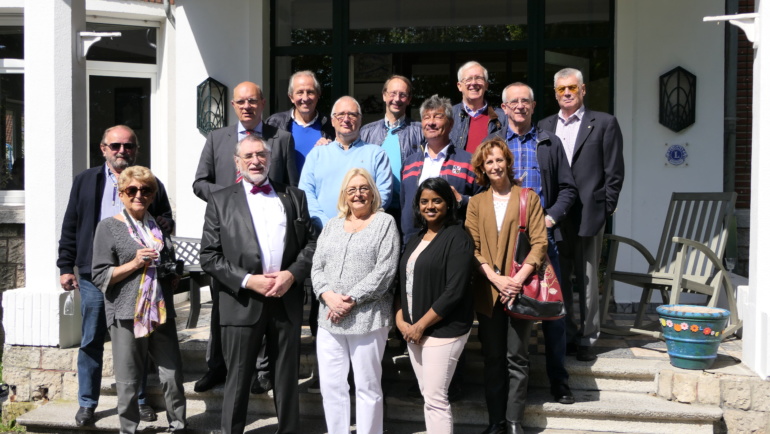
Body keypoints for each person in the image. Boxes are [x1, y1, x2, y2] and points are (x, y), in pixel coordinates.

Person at [200, 134, 317, 434]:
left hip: (285, 298)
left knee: (286, 377)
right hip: (241, 302)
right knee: (238, 378)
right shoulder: (220, 200)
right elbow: (209, 256)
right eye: (248, 156)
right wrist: (249, 281)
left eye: (261, 155)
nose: (256, 160)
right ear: (237, 162)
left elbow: (311, 245)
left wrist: (291, 275)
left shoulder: (294, 196)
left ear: (269, 158)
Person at [58, 125, 172, 427]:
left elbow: (166, 220)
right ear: (103, 148)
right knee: (92, 339)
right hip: (98, 274)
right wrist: (65, 266)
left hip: (139, 278)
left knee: (140, 339)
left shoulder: (149, 182)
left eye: (129, 146)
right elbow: (71, 224)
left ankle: (140, 401)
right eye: (115, 146)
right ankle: (87, 403)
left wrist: (163, 222)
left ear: (136, 149)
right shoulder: (85, 181)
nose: (122, 151)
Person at [193, 81, 297, 394]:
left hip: (270, 239)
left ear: (262, 104)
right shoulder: (217, 138)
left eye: (253, 101)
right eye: (241, 102)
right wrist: (229, 198)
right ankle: (217, 367)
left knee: (268, 309)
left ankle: (263, 372)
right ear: (234, 106)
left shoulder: (282, 139)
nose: (247, 106)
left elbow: (292, 188)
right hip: (229, 238)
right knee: (224, 306)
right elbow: (200, 182)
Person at [489, 82, 578, 404]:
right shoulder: (494, 144)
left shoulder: (548, 142)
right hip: (502, 244)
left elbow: (568, 189)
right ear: (504, 106)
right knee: (504, 312)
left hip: (542, 241)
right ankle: (507, 387)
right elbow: (481, 188)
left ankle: (559, 380)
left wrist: (551, 218)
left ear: (534, 105)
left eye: (525, 101)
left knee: (552, 312)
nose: (520, 106)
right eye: (513, 101)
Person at [537, 68, 625, 362]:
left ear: (583, 89)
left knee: (587, 279)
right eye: (560, 89)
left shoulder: (604, 123)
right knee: (559, 277)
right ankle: (568, 332)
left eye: (571, 88)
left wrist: (606, 207)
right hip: (556, 214)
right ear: (555, 93)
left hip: (589, 212)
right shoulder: (545, 125)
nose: (566, 93)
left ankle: (588, 338)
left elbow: (614, 172)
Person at [91, 166, 186, 434]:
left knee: (172, 375)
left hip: (160, 310)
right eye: (132, 190)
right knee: (129, 380)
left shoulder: (158, 226)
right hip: (126, 312)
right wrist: (134, 263)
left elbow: (166, 262)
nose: (139, 195)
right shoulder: (108, 227)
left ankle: (178, 426)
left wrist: (173, 274)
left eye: (146, 190)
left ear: (153, 195)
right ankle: (128, 429)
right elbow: (100, 276)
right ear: (121, 194)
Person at [465, 138, 548, 434]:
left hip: (520, 290)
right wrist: (497, 279)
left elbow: (539, 244)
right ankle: (495, 422)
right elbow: (472, 248)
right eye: (489, 162)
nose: (495, 166)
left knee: (517, 357)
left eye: (499, 160)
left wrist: (516, 280)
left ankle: (514, 422)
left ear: (508, 162)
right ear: (482, 169)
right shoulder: (475, 203)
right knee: (493, 358)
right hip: (489, 292)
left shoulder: (528, 197)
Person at [311, 168, 399, 434]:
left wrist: (350, 300)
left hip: (368, 318)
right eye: (352, 190)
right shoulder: (331, 225)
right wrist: (328, 296)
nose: (358, 194)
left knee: (367, 387)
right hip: (329, 320)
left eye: (363, 189)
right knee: (332, 386)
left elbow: (385, 270)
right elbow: (317, 267)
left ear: (373, 193)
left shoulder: (385, 223)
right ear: (344, 196)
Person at [395, 177, 474, 433]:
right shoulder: (416, 238)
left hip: (443, 332)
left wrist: (420, 325)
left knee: (435, 399)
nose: (430, 206)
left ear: (449, 204)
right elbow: (402, 283)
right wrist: (400, 321)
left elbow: (455, 291)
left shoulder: (458, 237)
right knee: (428, 395)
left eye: (437, 201)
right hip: (413, 330)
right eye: (424, 201)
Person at [299, 95, 393, 230]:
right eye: (340, 115)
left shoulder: (377, 154)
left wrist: (358, 224)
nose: (346, 119)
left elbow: (383, 195)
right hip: (322, 232)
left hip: (364, 232)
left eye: (352, 115)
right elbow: (306, 193)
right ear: (332, 121)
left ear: (360, 120)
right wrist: (327, 226)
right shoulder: (317, 154)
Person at [401, 94, 480, 244]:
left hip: (452, 243)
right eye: (426, 117)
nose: (431, 122)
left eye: (437, 116)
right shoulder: (409, 163)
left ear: (450, 124)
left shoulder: (469, 161)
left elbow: (484, 203)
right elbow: (405, 206)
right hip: (414, 242)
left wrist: (462, 200)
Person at [360, 74, 423, 222]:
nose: (396, 99)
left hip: (409, 207)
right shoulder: (366, 132)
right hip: (375, 208)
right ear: (384, 96)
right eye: (392, 93)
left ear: (409, 99)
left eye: (402, 95)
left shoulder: (420, 131)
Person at [265, 70, 336, 173]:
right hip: (285, 188)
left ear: (318, 95)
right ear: (291, 97)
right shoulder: (274, 123)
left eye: (310, 92)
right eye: (300, 92)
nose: (305, 98)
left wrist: (332, 149)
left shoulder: (331, 125)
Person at [449, 61, 505, 154]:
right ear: (459, 86)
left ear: (486, 85)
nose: (474, 83)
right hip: (458, 168)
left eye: (479, 78)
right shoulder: (448, 116)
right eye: (468, 79)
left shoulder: (502, 117)